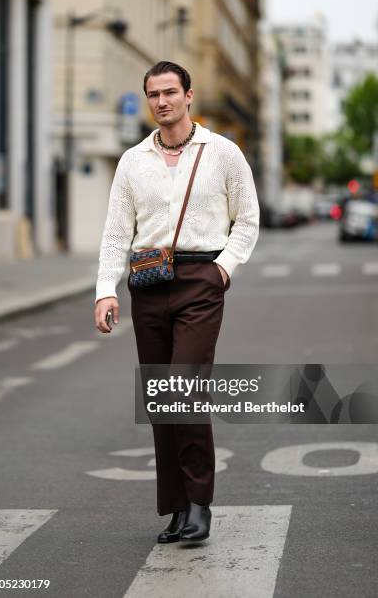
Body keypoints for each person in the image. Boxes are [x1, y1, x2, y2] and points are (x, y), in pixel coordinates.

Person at [94, 60, 259, 544]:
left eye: (170, 92)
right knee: (161, 399)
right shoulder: (132, 161)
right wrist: (106, 288)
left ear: (190, 95)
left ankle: (200, 502)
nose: (162, 101)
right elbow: (116, 233)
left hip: (200, 282)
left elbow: (247, 220)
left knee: (184, 387)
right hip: (148, 282)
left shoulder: (224, 153)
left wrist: (221, 269)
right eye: (153, 94)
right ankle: (176, 505)